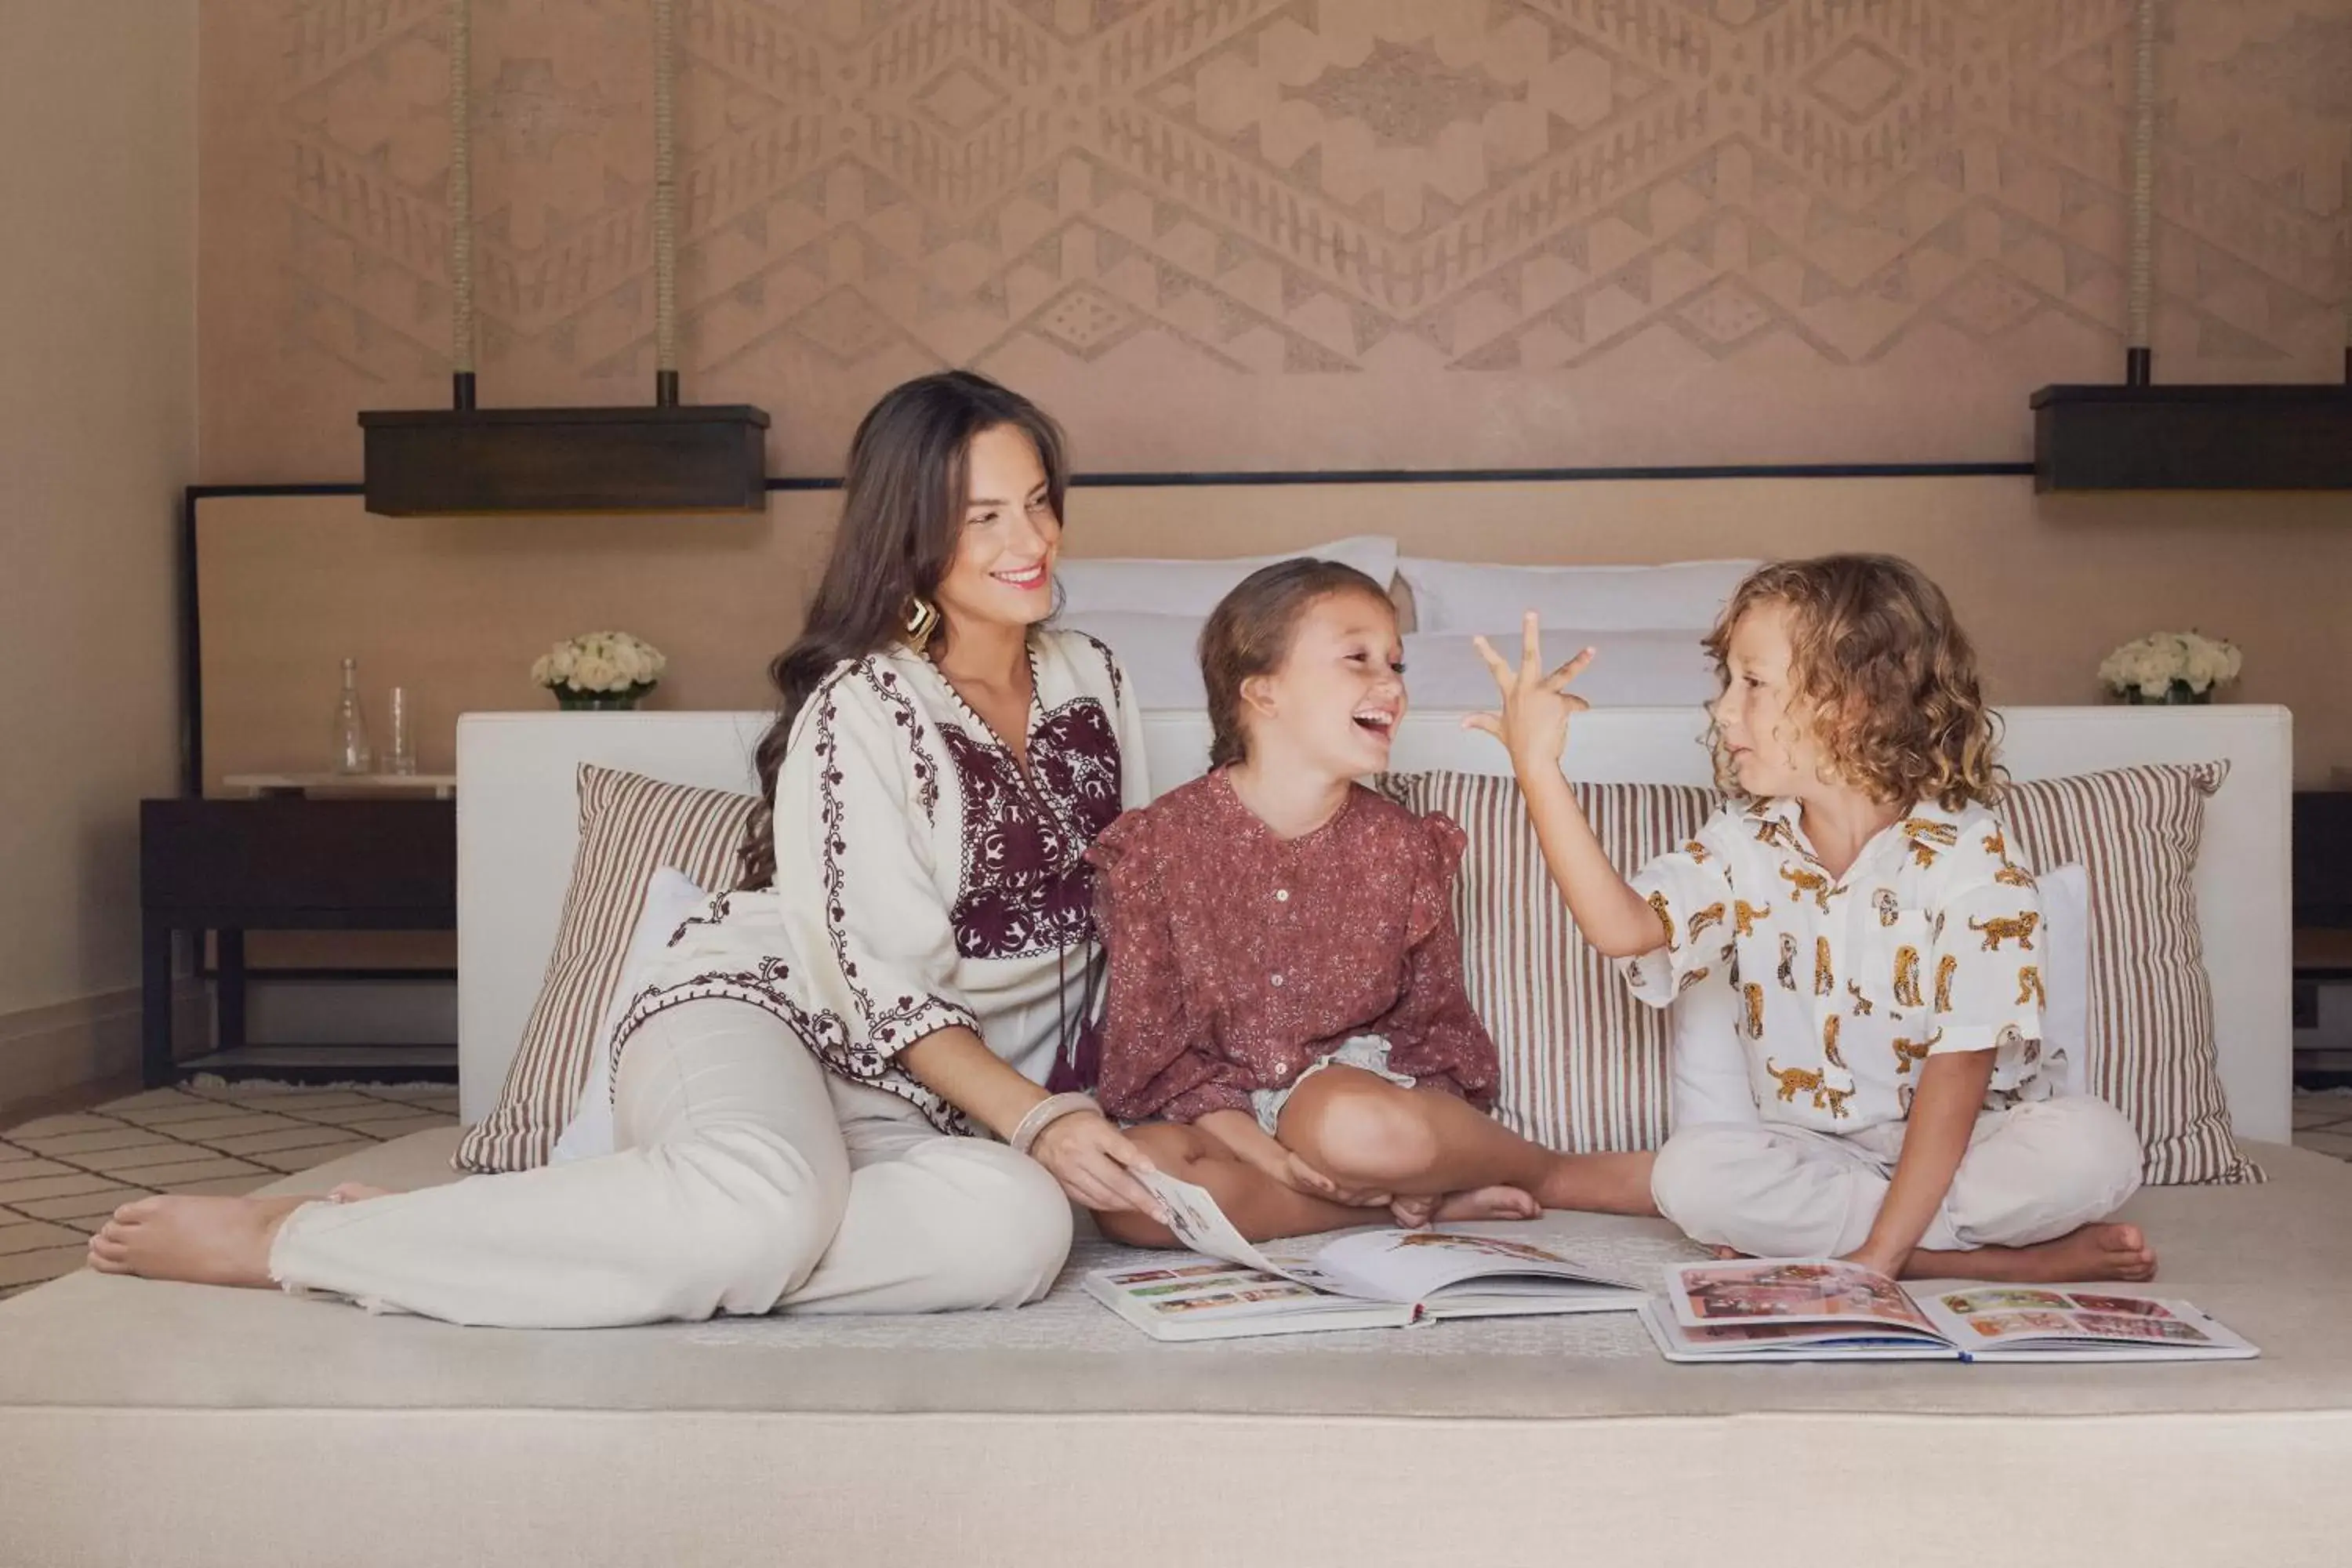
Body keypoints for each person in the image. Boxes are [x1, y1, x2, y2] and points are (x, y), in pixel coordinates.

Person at [89, 370, 1171, 1325]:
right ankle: (294, 1245)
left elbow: (1133, 906)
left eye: (1036, 504)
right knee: (765, 1201)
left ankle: (529, 1231)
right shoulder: (865, 704)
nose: (1028, 543)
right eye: (982, 517)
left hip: (921, 1099)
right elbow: (878, 980)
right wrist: (1034, 1118)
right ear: (913, 534)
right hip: (760, 1015)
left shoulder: (1097, 678)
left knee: (1016, 1233)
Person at [1468, 553, 2153, 1283]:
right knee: (1695, 1174)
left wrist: (1876, 1261)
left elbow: (1957, 1077)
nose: (1725, 710)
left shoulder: (1975, 859)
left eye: (1754, 684)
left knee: (2096, 1149)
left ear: (1860, 699)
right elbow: (1621, 928)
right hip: (1813, 1153)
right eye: (1728, 683)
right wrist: (1538, 768)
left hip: (1970, 1145)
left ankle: (1897, 1245)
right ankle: (1981, 1261)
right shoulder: (1743, 842)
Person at [1088, 559, 1657, 1247]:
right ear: (1263, 692)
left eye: (1395, 664)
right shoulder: (1156, 847)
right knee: (1129, 1190)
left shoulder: (1401, 847)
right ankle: (1393, 1209)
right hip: (1223, 1122)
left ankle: (1555, 1175)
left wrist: (1382, 1137)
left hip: (1357, 1110)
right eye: (1357, 659)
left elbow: (1436, 1028)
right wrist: (1278, 1163)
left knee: (1350, 1125)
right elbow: (1148, 1052)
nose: (1389, 684)